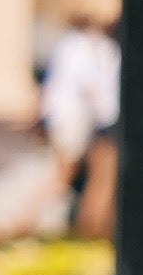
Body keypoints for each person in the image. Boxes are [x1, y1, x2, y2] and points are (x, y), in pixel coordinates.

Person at [39, 13, 120, 243]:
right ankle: (23, 221)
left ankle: (91, 228)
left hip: (79, 120)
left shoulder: (73, 46)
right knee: (72, 178)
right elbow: (92, 87)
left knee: (92, 179)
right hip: (82, 121)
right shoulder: (83, 48)